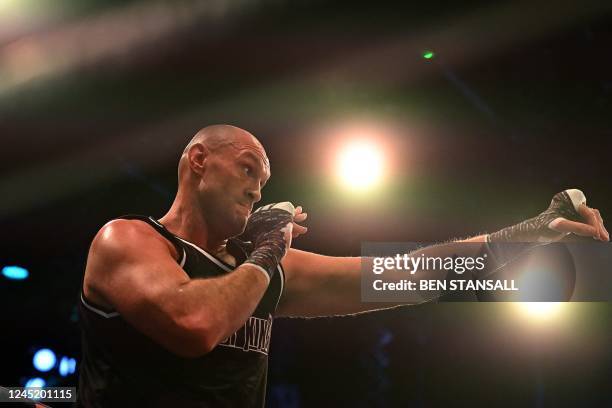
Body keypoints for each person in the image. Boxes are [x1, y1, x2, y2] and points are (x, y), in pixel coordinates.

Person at [76, 124, 608, 407]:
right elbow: (193, 325)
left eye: (262, 181)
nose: (257, 187)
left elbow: (400, 276)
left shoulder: (260, 267)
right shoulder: (128, 239)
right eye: (245, 169)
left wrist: (527, 234)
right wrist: (268, 253)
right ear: (198, 162)